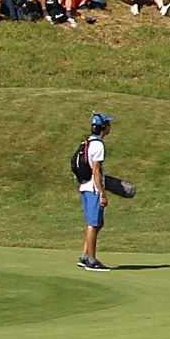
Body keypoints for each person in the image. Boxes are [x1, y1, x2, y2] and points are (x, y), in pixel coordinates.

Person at [73, 112, 114, 270]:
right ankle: (91, 259)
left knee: (98, 223)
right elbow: (96, 171)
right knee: (93, 223)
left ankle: (85, 255)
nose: (111, 127)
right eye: (109, 124)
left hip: (85, 186)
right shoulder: (98, 145)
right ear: (104, 127)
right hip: (93, 188)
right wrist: (102, 193)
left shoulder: (88, 142)